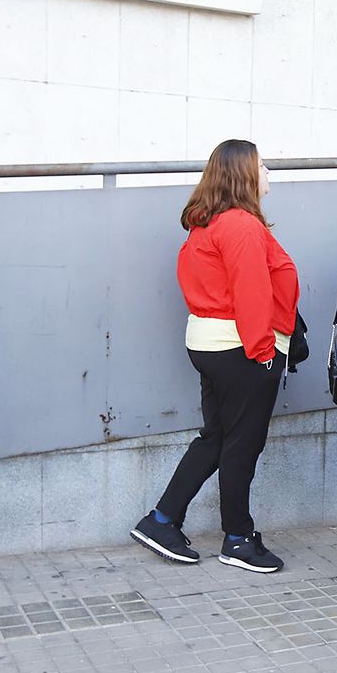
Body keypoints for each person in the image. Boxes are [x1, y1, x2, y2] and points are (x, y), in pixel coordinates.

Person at [130, 140, 295, 574]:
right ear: (245, 173)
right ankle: (238, 538)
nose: (268, 172)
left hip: (213, 343)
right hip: (240, 347)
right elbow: (252, 293)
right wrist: (262, 355)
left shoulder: (209, 223)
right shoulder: (240, 225)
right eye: (263, 165)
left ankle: (161, 520)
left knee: (218, 437)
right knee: (242, 444)